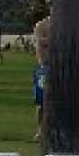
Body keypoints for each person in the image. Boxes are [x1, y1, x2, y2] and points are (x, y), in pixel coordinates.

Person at [31, 8, 52, 141]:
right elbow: (41, 41)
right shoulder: (41, 25)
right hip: (44, 67)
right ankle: (40, 130)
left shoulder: (66, 24)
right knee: (42, 102)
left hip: (59, 67)